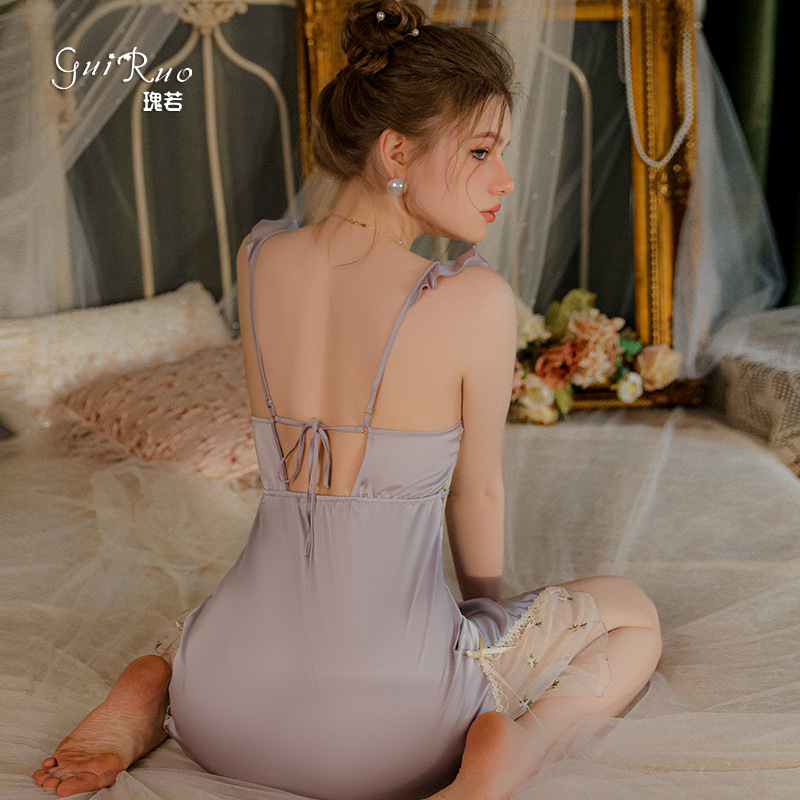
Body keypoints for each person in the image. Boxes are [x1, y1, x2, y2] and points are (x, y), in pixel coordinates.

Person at [33, 2, 661, 798]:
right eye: (480, 151)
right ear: (395, 150)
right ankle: (513, 752)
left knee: (230, 613)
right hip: (393, 731)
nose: (504, 178)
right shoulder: (473, 300)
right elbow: (477, 492)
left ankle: (157, 684)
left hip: (223, 704)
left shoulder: (261, 258)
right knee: (633, 614)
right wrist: (489, 628)